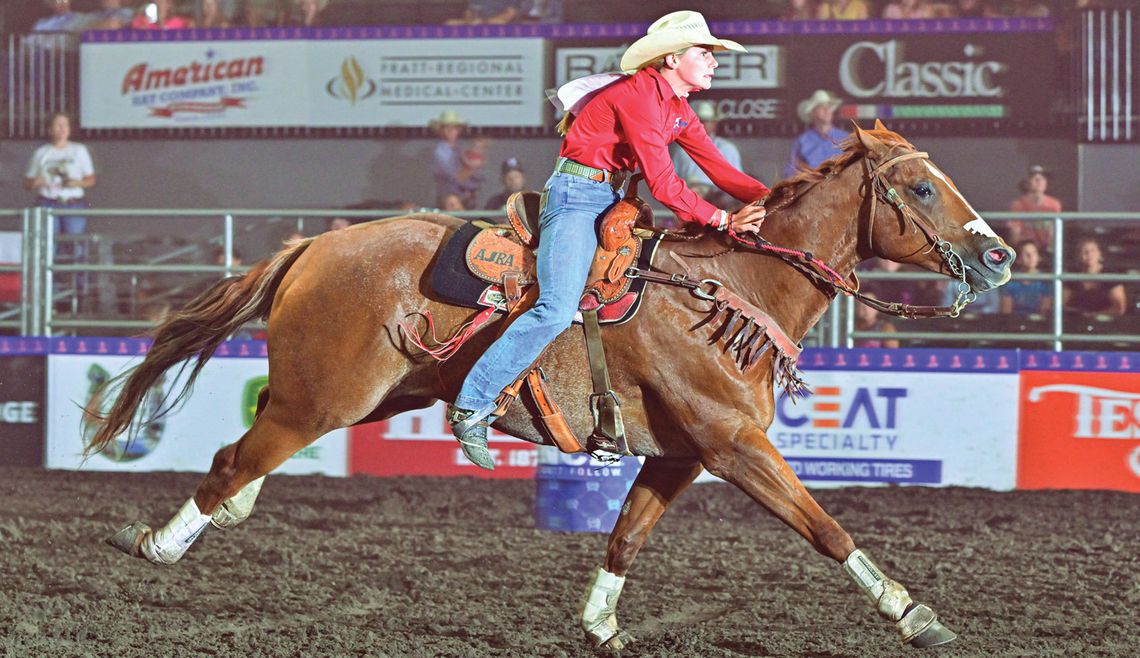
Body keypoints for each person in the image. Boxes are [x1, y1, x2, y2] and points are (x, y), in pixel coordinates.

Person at [447, 10, 771, 470]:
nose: (715, 61)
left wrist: (777, 203)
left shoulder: (676, 107)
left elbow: (720, 170)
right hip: (577, 197)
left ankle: (604, 410)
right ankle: (471, 403)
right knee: (557, 307)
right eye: (706, 53)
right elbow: (662, 182)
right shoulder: (638, 96)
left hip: (609, 198)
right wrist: (721, 219)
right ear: (672, 59)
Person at [23, 112, 96, 259]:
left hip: (72, 204)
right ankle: (49, 281)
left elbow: (91, 180)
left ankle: (78, 281)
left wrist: (76, 183)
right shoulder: (41, 153)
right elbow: (27, 182)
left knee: (76, 246)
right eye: (58, 125)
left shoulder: (79, 150)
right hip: (47, 203)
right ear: (50, 129)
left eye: (65, 125)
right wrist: (35, 182)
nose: (62, 129)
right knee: (48, 246)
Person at [671, 100, 743, 209]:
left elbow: (738, 183)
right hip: (687, 202)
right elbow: (672, 179)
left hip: (718, 202)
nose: (702, 124)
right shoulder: (681, 149)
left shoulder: (727, 149)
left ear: (714, 123)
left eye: (707, 121)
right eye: (699, 120)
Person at [784, 90, 847, 179]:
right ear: (813, 113)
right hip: (812, 187)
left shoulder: (845, 138)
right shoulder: (802, 141)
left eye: (829, 106)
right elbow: (791, 171)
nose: (827, 110)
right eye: (821, 107)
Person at [431, 110, 487, 211]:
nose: (451, 131)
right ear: (441, 130)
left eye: (455, 128)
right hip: (449, 201)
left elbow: (481, 176)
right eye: (447, 128)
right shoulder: (439, 152)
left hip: (469, 199)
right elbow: (455, 177)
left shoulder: (461, 149)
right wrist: (473, 167)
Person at [1064, 237, 1126, 317]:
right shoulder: (1073, 276)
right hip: (1078, 322)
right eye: (1084, 251)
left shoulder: (1110, 275)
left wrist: (1095, 315)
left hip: (1106, 322)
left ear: (1099, 253)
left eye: (1093, 250)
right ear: (1079, 256)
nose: (1089, 254)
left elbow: (1119, 308)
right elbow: (1060, 303)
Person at [1006, 164, 1060, 248]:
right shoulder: (1018, 204)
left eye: (1042, 178)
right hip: (1024, 249)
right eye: (1034, 178)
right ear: (1027, 182)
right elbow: (1014, 237)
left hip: (1046, 251)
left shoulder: (1054, 204)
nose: (1039, 181)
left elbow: (1054, 235)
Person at [1000, 239, 1051, 316]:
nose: (1031, 257)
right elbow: (1007, 312)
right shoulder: (1011, 281)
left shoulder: (1045, 280)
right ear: (1018, 259)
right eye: (1026, 254)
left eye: (1034, 253)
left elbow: (1045, 311)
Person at [446, 0, 521, 24]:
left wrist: (484, 22)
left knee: (500, 23)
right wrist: (469, 20)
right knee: (450, 23)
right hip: (476, 23)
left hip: (497, 24)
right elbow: (468, 12)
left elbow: (509, 16)